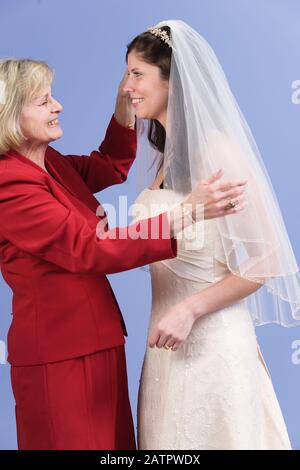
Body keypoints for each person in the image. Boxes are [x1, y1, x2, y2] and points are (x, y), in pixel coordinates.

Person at [0, 58, 246, 450]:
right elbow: (90, 248)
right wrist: (187, 212)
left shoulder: (49, 164)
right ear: (9, 115)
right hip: (59, 354)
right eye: (43, 101)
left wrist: (122, 107)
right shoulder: (8, 183)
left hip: (97, 340)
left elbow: (109, 165)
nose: (58, 106)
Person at [125, 20, 300, 450]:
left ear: (173, 81)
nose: (127, 86)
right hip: (164, 349)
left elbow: (269, 260)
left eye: (137, 74)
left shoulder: (216, 150)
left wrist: (190, 311)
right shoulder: (164, 159)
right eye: (126, 73)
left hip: (212, 346)